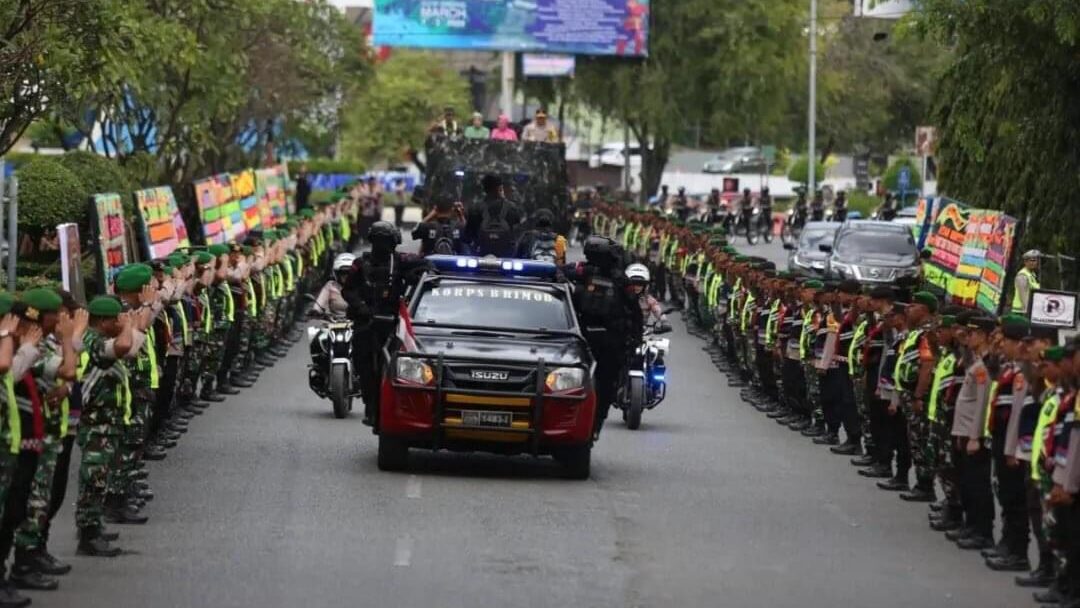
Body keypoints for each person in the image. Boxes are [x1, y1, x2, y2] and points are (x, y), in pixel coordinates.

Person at [341, 222, 428, 426]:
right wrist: (361, 307)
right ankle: (370, 406)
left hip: (390, 325)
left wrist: (414, 276)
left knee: (393, 368)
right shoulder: (360, 264)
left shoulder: (399, 261)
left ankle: (389, 407)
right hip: (365, 323)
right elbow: (348, 290)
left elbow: (425, 264)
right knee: (364, 367)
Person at [568, 236, 639, 438]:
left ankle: (591, 424)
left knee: (587, 381)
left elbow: (563, 273)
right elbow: (634, 310)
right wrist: (636, 337)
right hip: (604, 340)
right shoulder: (620, 280)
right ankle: (595, 425)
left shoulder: (584, 272)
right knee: (603, 384)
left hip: (586, 338)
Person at [465, 174, 523, 258]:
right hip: (506, 257)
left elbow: (468, 236)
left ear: (484, 189)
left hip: (480, 256)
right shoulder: (512, 208)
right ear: (500, 188)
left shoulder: (475, 208)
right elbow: (517, 233)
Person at [1012, 249, 1041, 314]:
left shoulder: (1032, 274)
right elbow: (1023, 295)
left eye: (1035, 260)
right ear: (1025, 262)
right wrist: (1027, 311)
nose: (1034, 263)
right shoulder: (1022, 275)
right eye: (1031, 261)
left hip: (1029, 309)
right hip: (1021, 311)